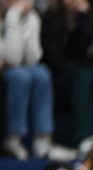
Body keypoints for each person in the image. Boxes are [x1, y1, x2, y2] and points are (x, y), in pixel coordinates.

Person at [41, 0, 93, 152]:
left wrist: (83, 20)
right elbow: (54, 59)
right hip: (57, 79)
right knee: (82, 75)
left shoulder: (89, 19)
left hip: (82, 74)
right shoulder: (50, 19)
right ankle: (84, 137)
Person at [0, 0, 65, 160]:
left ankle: (42, 141)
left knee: (42, 73)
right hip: (9, 70)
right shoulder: (11, 17)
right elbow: (12, 58)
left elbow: (31, 59)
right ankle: (13, 138)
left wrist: (29, 23)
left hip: (14, 66)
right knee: (20, 76)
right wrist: (12, 17)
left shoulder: (32, 18)